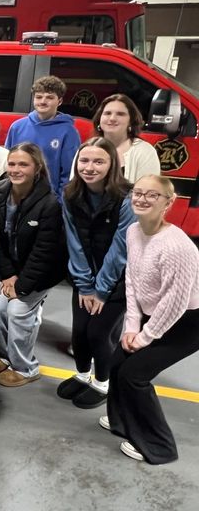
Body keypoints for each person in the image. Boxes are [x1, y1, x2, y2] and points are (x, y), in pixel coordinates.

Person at [102, 175, 199, 465]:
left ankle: (159, 446)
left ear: (168, 203)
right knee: (117, 363)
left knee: (134, 375)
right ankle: (122, 422)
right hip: (151, 315)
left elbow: (176, 302)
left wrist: (144, 337)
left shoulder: (177, 246)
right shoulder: (133, 231)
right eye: (138, 193)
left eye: (152, 195)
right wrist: (132, 326)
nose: (142, 199)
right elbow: (132, 279)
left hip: (186, 323)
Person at [57, 137, 135, 409]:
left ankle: (103, 382)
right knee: (79, 331)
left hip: (119, 279)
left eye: (99, 161)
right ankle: (81, 375)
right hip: (86, 277)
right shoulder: (70, 194)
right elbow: (74, 242)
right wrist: (85, 285)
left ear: (112, 164)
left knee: (99, 334)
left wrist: (101, 290)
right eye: (85, 160)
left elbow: (120, 248)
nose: (90, 167)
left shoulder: (126, 197)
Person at [0, 143, 66, 387]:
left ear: (37, 168)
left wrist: (22, 286)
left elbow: (44, 252)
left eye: (23, 164)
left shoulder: (49, 203)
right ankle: (3, 355)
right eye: (12, 163)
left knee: (18, 311)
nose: (16, 169)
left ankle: (26, 367)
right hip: (13, 271)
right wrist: (8, 275)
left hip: (41, 272)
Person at [5, 75, 80, 200]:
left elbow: (68, 174)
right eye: (39, 97)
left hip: (50, 199)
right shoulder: (17, 127)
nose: (43, 101)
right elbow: (7, 164)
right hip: (17, 197)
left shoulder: (68, 131)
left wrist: (59, 202)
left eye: (50, 97)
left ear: (59, 101)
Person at [92, 94, 160, 181]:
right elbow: (74, 188)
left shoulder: (144, 151)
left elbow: (148, 191)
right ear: (99, 119)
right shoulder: (86, 149)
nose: (112, 118)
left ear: (131, 121)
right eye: (107, 113)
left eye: (120, 114)